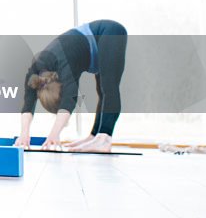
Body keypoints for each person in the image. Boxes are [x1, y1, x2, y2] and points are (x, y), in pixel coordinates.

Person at [15, 19, 128, 152]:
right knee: (101, 91)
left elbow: (68, 103)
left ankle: (104, 138)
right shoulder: (34, 74)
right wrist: (24, 133)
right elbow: (27, 106)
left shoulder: (65, 66)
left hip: (109, 33)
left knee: (108, 86)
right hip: (94, 47)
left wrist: (54, 134)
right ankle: (94, 136)